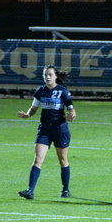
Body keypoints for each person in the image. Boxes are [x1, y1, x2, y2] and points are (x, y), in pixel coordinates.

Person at [17, 65, 76, 199]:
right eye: (45, 75)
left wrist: (71, 115)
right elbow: (34, 108)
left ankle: (65, 189)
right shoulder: (40, 91)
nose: (47, 77)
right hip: (44, 129)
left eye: (50, 75)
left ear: (56, 76)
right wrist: (27, 114)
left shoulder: (63, 91)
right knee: (38, 159)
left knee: (62, 159)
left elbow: (71, 109)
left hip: (60, 129)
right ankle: (30, 191)